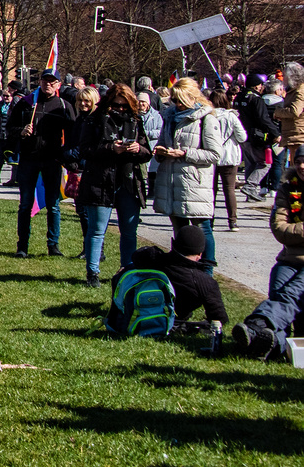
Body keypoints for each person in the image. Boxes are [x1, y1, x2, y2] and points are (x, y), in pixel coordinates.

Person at [74, 84, 153, 287]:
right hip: (100, 181)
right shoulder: (94, 120)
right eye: (116, 105)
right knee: (97, 229)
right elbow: (84, 150)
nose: (120, 109)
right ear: (108, 103)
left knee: (129, 231)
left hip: (127, 182)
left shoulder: (135, 121)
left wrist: (137, 149)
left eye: (124, 106)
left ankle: (127, 271)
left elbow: (147, 152)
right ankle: (93, 273)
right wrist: (110, 148)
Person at [231, 162, 304, 359]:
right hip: (289, 259)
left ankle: (256, 327)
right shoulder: (288, 189)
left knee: (290, 294)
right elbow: (279, 230)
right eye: (298, 162)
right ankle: (270, 343)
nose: (302, 166)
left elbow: (288, 229)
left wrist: (295, 230)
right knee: (279, 284)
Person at [153, 78, 222, 269]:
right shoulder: (169, 117)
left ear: (192, 97)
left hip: (194, 182)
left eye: (181, 99)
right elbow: (162, 141)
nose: (177, 104)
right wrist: (160, 151)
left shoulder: (206, 118)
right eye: (174, 99)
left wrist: (185, 153)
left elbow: (215, 154)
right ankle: (183, 269)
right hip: (172, 181)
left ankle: (206, 270)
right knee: (180, 229)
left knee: (202, 228)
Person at [11, 69, 77, 258]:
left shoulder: (63, 106)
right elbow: (10, 128)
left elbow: (72, 135)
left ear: (58, 84)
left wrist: (65, 155)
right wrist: (21, 131)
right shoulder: (26, 103)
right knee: (25, 205)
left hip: (52, 161)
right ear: (39, 82)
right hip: (28, 160)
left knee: (53, 205)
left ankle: (53, 245)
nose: (48, 84)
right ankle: (22, 246)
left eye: (52, 81)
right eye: (45, 80)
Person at [118, 224, 228, 327]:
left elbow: (136, 255)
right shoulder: (205, 282)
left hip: (138, 313)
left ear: (175, 245)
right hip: (173, 320)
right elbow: (219, 318)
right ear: (200, 254)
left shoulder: (153, 258)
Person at [207, 89, 247, 232]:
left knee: (212, 190)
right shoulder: (231, 117)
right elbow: (242, 137)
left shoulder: (207, 116)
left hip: (211, 156)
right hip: (229, 156)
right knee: (229, 189)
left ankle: (209, 220)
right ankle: (233, 221)